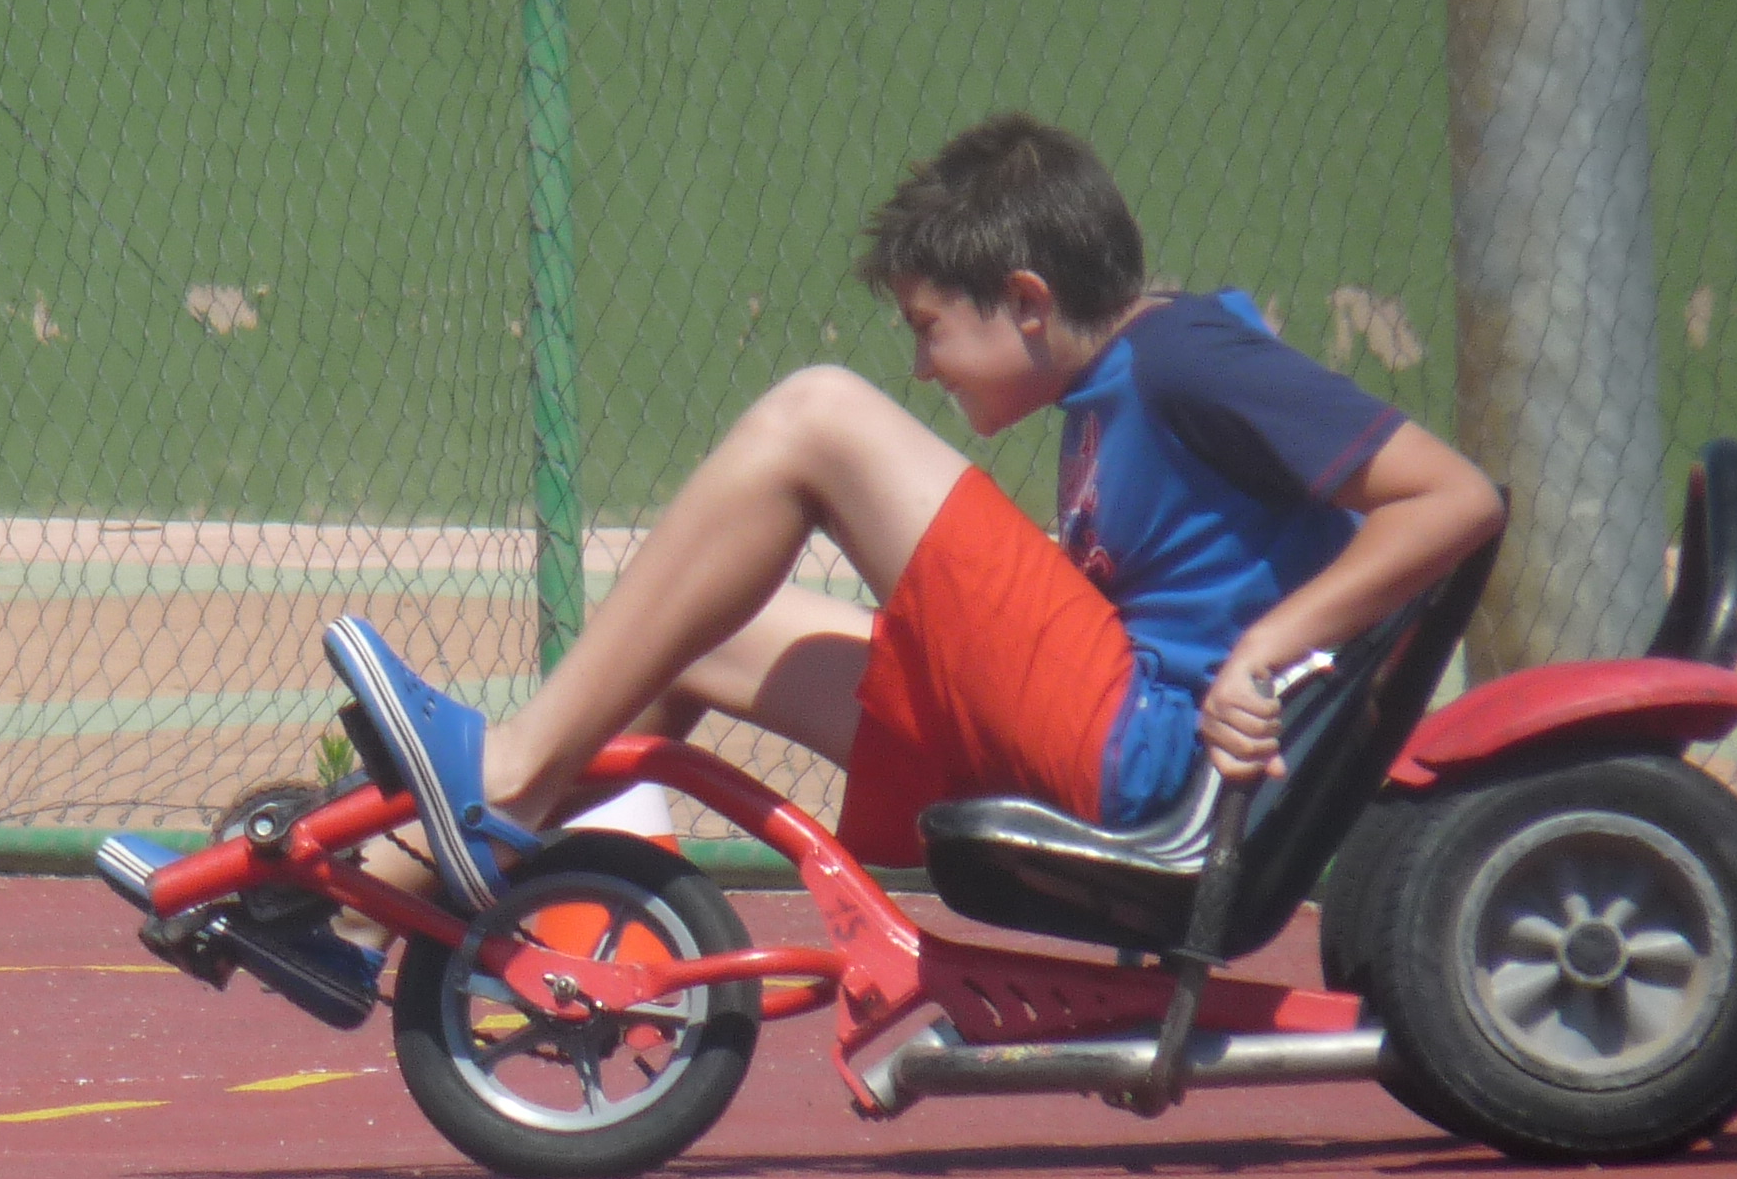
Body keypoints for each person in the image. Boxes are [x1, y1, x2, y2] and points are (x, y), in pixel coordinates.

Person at [321, 112, 1507, 927]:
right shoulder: (1117, 386)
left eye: (930, 328)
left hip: (1151, 761)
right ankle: (376, 902)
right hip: (1115, 733)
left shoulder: (1189, 356)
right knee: (704, 630)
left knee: (818, 417)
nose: (925, 367)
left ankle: (511, 769)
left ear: (1028, 301)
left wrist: (1266, 652)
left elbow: (1453, 498)